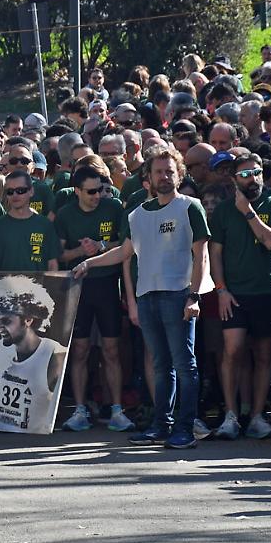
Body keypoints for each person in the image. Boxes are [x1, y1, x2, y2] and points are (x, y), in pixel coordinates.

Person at [75, 149, 209, 450]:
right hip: (147, 295)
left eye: (169, 171)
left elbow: (201, 255)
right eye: (159, 172)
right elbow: (124, 252)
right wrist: (90, 263)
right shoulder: (137, 214)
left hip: (178, 295)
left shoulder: (191, 207)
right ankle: (162, 425)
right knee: (161, 365)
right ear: (148, 178)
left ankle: (185, 428)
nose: (164, 177)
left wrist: (194, 296)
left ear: (180, 174)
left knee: (185, 364)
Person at [209, 153, 271, 441]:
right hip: (234, 293)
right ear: (234, 179)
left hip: (267, 289)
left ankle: (256, 416)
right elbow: (214, 254)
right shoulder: (224, 211)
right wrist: (221, 289)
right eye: (244, 174)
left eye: (256, 173)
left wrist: (248, 212)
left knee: (264, 354)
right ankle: (231, 415)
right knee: (233, 350)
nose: (252, 179)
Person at [56, 165, 131, 433]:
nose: (97, 195)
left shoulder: (113, 208)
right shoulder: (65, 214)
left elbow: (126, 245)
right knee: (80, 350)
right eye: (90, 191)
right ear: (77, 191)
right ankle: (79, 409)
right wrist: (80, 250)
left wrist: (100, 247)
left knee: (111, 350)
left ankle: (117, 410)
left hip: (108, 285)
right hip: (78, 287)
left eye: (100, 189)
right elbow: (59, 255)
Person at [0, 275, 69, 433]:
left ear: (28, 319)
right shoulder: (0, 347)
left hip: (28, 443)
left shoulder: (55, 354)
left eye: (6, 321)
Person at [0, 171, 62, 273]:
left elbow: (52, 264)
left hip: (37, 287)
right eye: (10, 191)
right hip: (5, 287)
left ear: (31, 191)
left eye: (20, 190)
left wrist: (51, 288)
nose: (15, 195)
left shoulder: (45, 225)